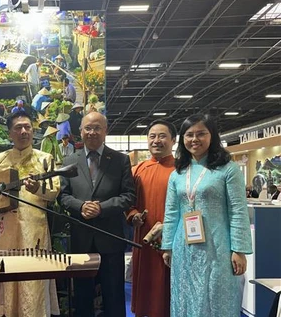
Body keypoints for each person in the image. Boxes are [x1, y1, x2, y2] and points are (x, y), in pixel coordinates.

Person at [161, 114, 252, 317]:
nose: (195, 139)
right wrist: (167, 246)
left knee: (216, 296)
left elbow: (238, 210)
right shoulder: (177, 173)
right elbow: (171, 212)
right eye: (189, 135)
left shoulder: (228, 169)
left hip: (217, 247)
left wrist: (239, 250)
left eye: (201, 134)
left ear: (212, 136)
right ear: (183, 139)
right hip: (183, 247)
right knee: (183, 296)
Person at [0, 111, 60, 317]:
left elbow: (54, 191)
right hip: (6, 231)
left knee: (34, 278)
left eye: (27, 127)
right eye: (18, 128)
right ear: (10, 133)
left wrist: (37, 189)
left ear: (33, 130)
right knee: (8, 274)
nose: (23, 131)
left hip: (35, 230)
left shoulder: (45, 159)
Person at [59, 112, 136, 317]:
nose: (92, 132)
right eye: (88, 128)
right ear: (80, 131)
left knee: (114, 296)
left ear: (105, 131)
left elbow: (129, 196)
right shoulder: (69, 160)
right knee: (82, 298)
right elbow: (63, 196)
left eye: (97, 128)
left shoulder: (120, 160)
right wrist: (81, 206)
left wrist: (102, 207)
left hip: (111, 239)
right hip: (81, 239)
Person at [125, 120, 177, 317]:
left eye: (162, 136)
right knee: (146, 285)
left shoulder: (181, 169)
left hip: (172, 239)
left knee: (170, 286)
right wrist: (133, 216)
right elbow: (128, 202)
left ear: (173, 140)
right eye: (152, 136)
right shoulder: (137, 170)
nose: (157, 141)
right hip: (144, 238)